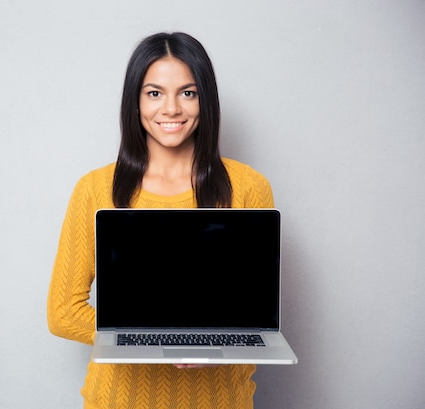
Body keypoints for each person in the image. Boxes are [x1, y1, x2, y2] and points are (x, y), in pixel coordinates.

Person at [47, 32, 274, 409]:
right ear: (135, 102)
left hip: (220, 401)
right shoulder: (95, 189)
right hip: (120, 401)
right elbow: (63, 313)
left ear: (206, 100)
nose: (171, 108)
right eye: (154, 93)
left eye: (188, 92)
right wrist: (156, 338)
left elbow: (253, 311)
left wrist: (208, 339)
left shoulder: (248, 187)